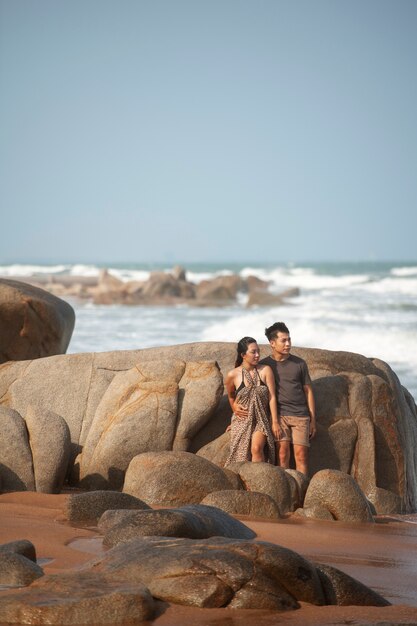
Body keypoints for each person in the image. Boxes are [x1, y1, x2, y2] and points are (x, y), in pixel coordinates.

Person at [260, 322, 316, 475]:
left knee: (301, 456)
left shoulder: (299, 363)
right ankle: (286, 492)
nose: (288, 344)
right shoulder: (265, 365)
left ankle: (302, 493)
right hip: (280, 416)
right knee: (282, 454)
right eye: (283, 340)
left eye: (289, 340)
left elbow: (308, 391)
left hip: (301, 416)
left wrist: (313, 420)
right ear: (272, 343)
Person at [225, 336, 280, 466]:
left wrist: (275, 421)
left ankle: (258, 480)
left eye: (258, 351)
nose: (257, 355)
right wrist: (235, 409)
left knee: (256, 448)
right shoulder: (232, 375)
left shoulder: (265, 370)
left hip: (261, 419)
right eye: (253, 352)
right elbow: (231, 396)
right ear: (243, 355)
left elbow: (272, 397)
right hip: (243, 419)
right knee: (240, 454)